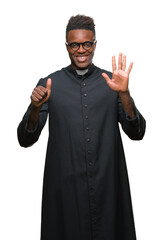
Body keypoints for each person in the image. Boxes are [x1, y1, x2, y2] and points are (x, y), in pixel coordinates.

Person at [17, 15, 146, 240]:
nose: (81, 50)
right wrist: (35, 107)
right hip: (65, 195)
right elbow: (25, 139)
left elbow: (137, 133)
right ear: (67, 46)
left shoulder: (112, 83)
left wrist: (124, 94)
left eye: (87, 43)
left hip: (108, 190)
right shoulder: (49, 83)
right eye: (74, 45)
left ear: (94, 44)